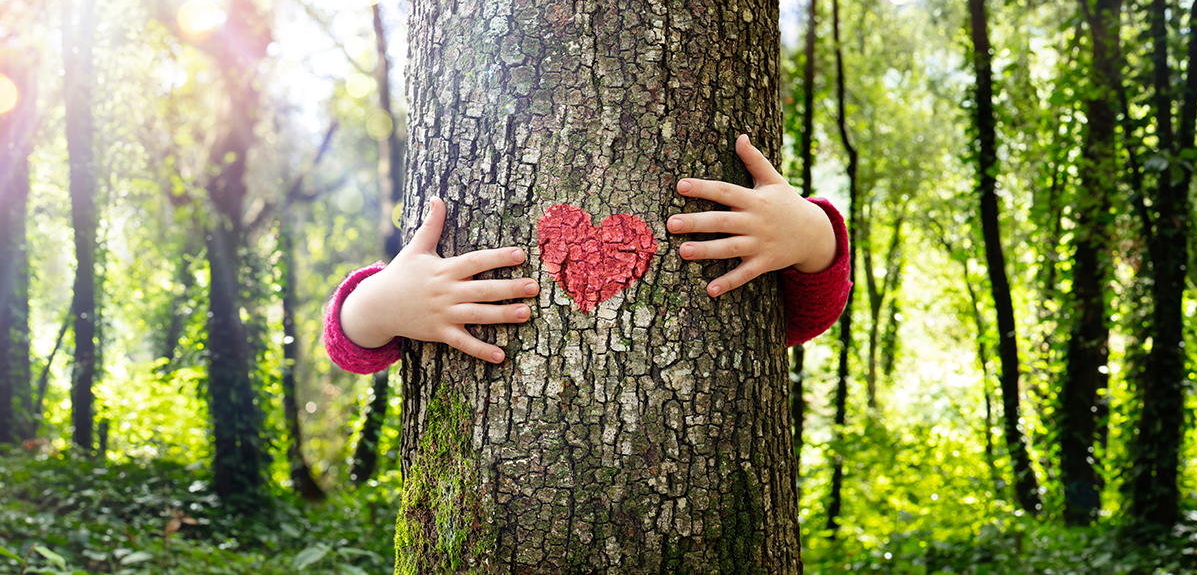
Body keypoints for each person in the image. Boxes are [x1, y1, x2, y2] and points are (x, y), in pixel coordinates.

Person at [323, 134, 851, 374]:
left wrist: (810, 232)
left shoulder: (760, 238)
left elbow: (803, 317)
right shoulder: (423, 292)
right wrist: (381, 303)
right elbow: (348, 342)